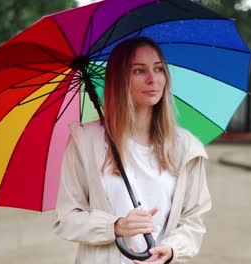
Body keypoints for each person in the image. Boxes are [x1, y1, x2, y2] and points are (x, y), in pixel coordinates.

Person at [54, 37, 211, 264]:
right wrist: (116, 226)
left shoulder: (185, 147)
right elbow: (67, 219)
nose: (152, 79)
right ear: (120, 80)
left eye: (158, 69)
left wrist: (171, 249)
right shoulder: (85, 142)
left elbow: (193, 220)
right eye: (139, 71)